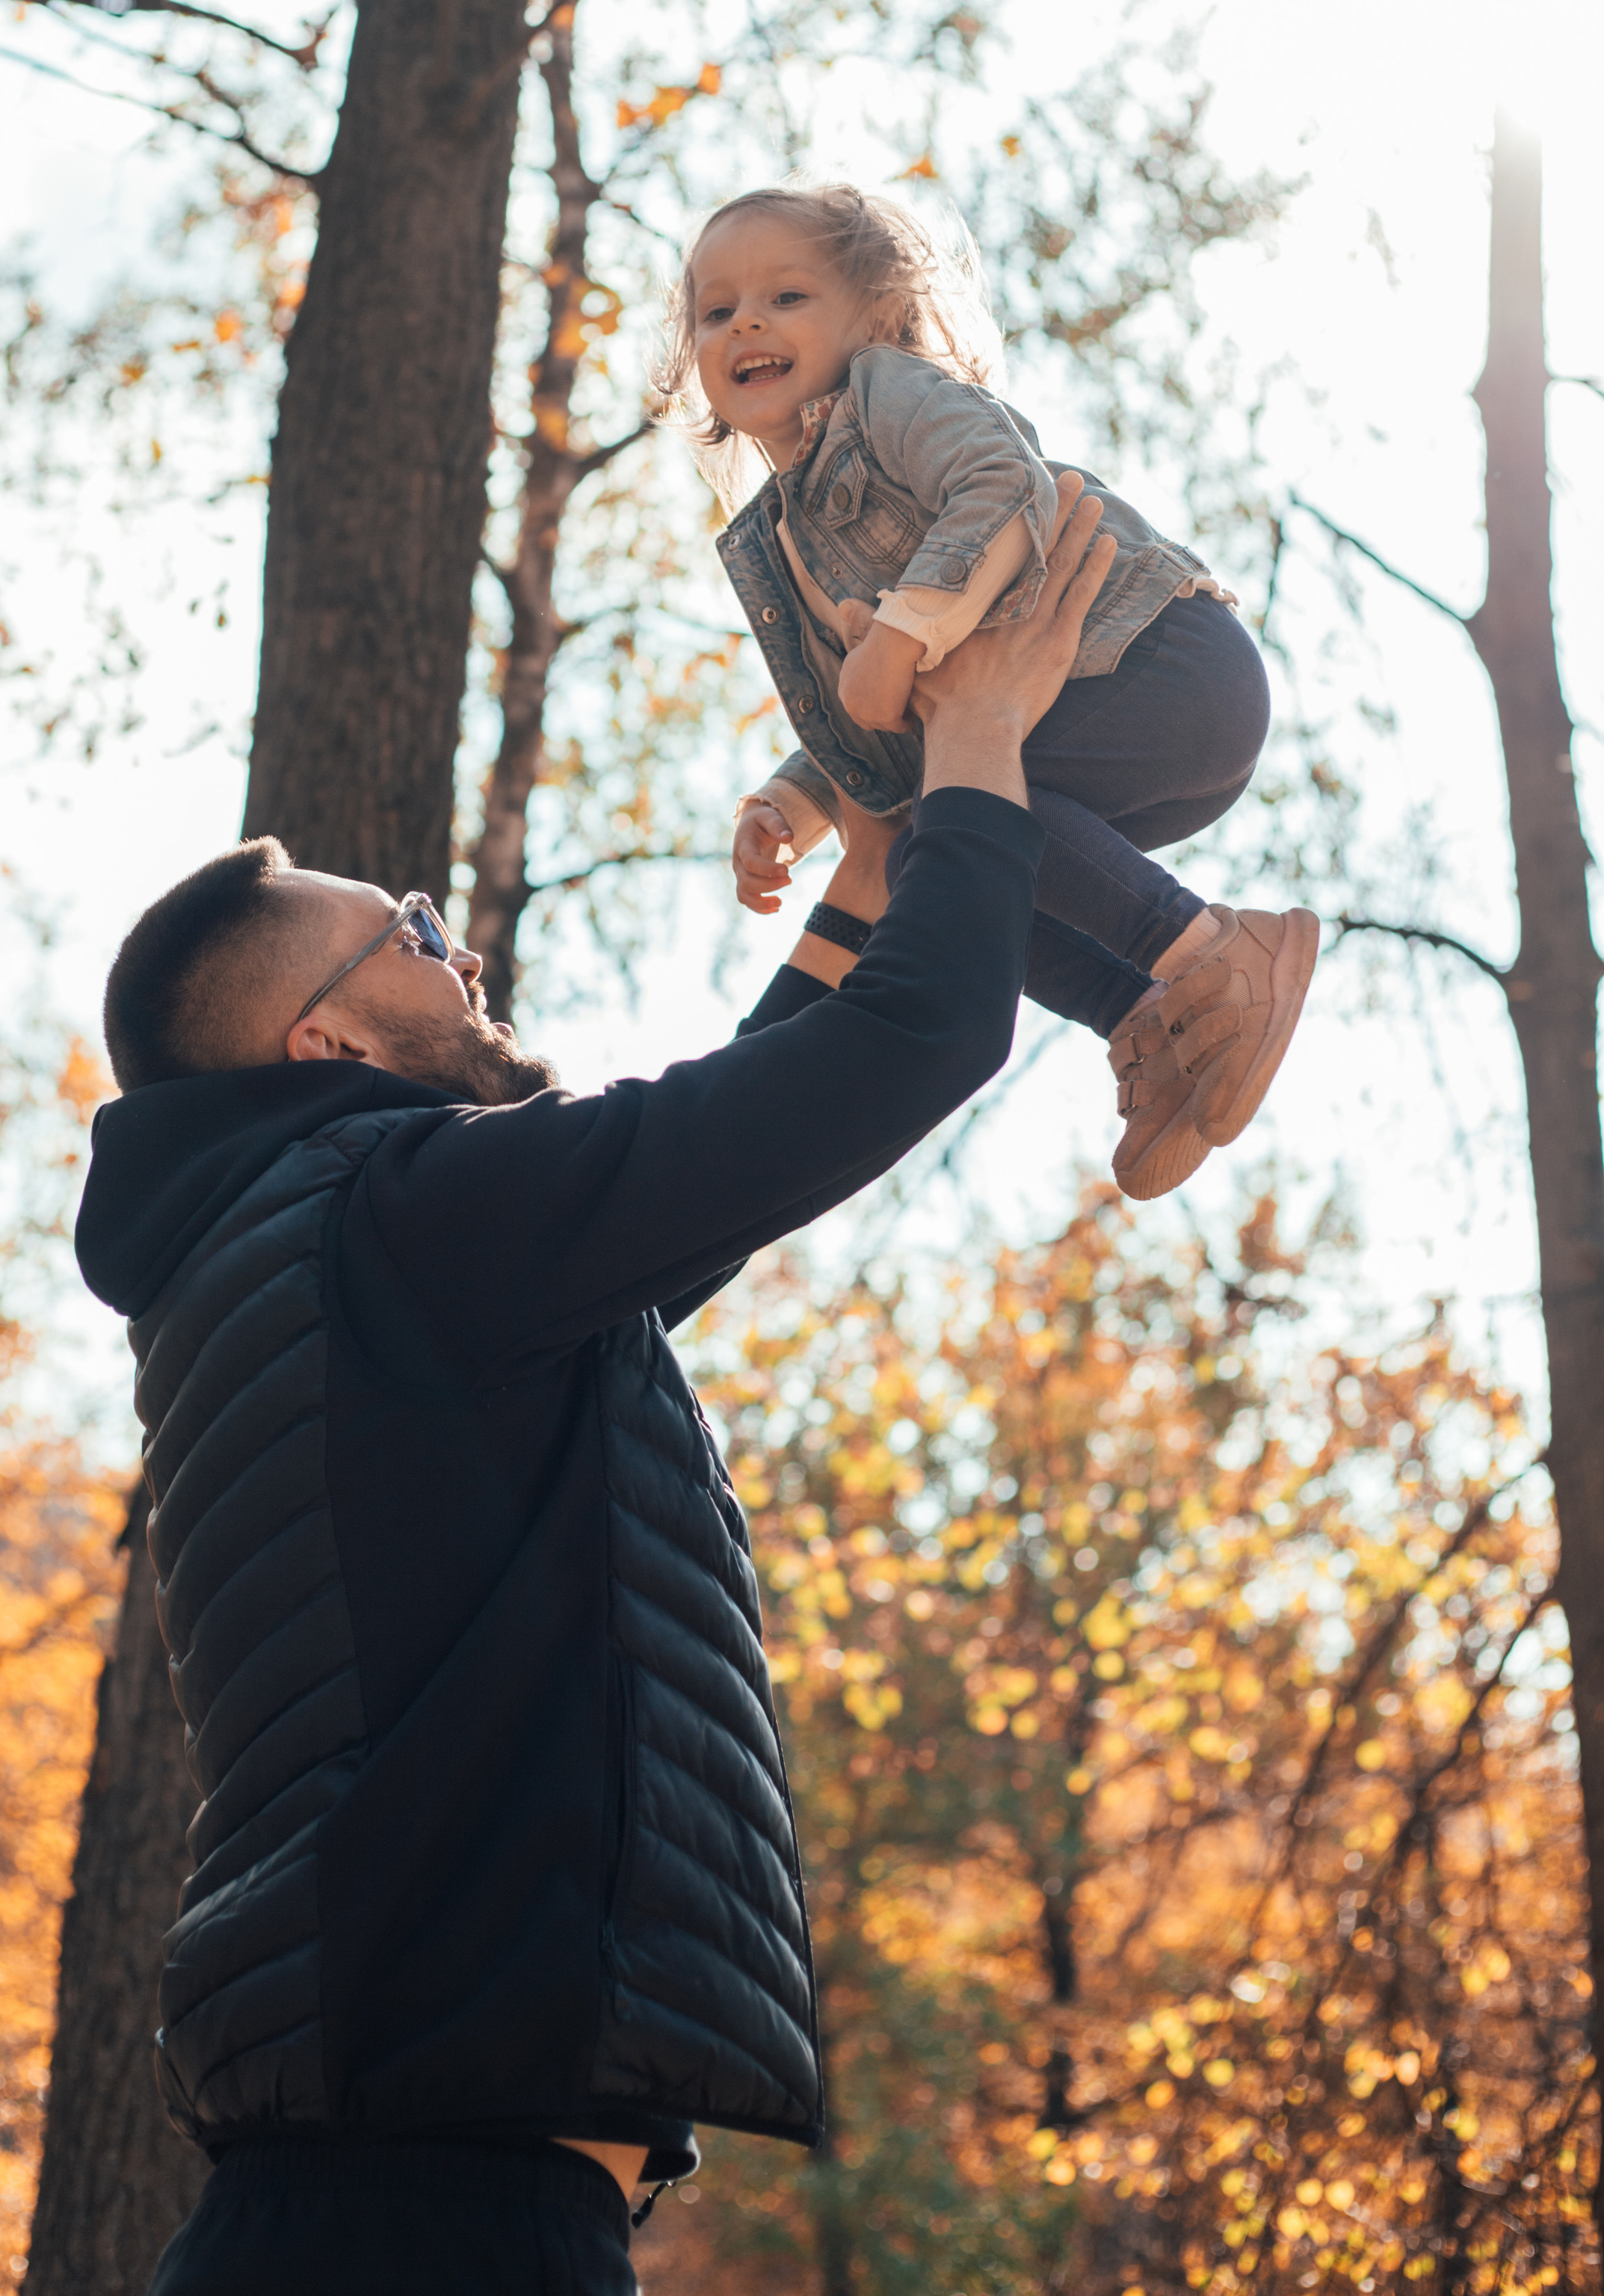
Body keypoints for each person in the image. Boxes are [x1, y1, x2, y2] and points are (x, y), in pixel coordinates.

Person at [74, 484, 1116, 2296]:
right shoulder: (393, 1217)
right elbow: (911, 1049)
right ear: (317, 1039)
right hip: (421, 2228)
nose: (444, 936)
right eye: (401, 926)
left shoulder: (320, 1240)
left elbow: (684, 1192)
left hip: (395, 2200)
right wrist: (973, 759)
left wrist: (862, 891)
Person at [653, 180, 1319, 1202]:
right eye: (716, 310)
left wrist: (910, 627)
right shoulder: (779, 537)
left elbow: (1002, 485)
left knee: (953, 817)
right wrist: (794, 803)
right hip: (1075, 739)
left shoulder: (888, 394)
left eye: (787, 297)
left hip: (1158, 666)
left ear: (873, 318)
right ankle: (1158, 1019)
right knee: (952, 871)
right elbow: (867, 716)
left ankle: (1220, 951)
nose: (745, 320)